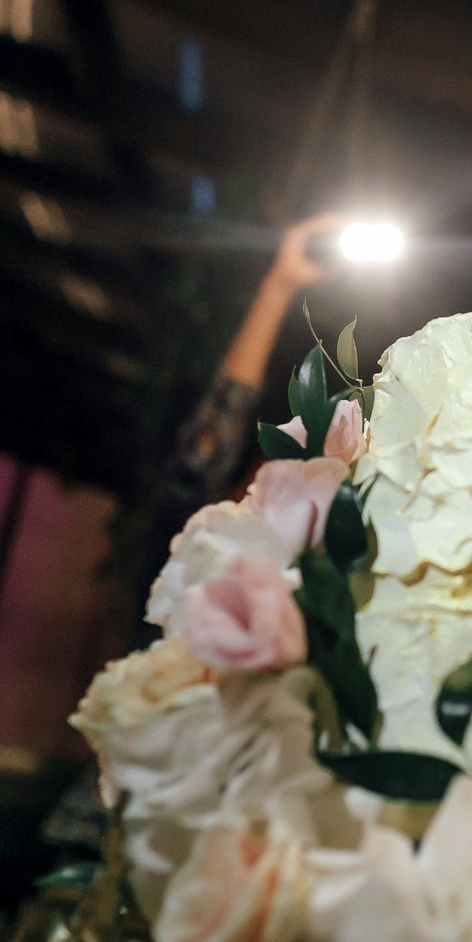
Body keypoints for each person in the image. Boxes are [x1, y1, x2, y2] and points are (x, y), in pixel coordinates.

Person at [126, 215, 343, 636]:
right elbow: (220, 420)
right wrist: (278, 286)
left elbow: (226, 409)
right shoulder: (189, 560)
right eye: (277, 475)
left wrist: (280, 286)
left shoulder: (316, 585)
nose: (277, 487)